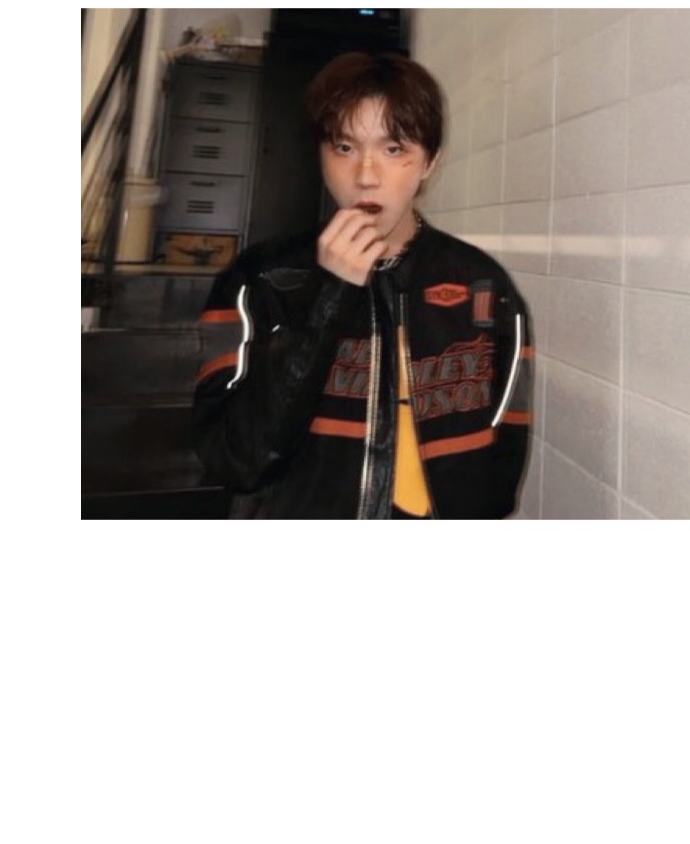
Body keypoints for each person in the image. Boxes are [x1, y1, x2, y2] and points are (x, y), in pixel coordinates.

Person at [192, 51, 533, 518]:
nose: (366, 176)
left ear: (429, 162)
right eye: (344, 148)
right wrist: (330, 295)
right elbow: (234, 460)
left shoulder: (482, 285)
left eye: (394, 150)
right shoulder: (260, 280)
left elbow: (502, 460)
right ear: (321, 154)